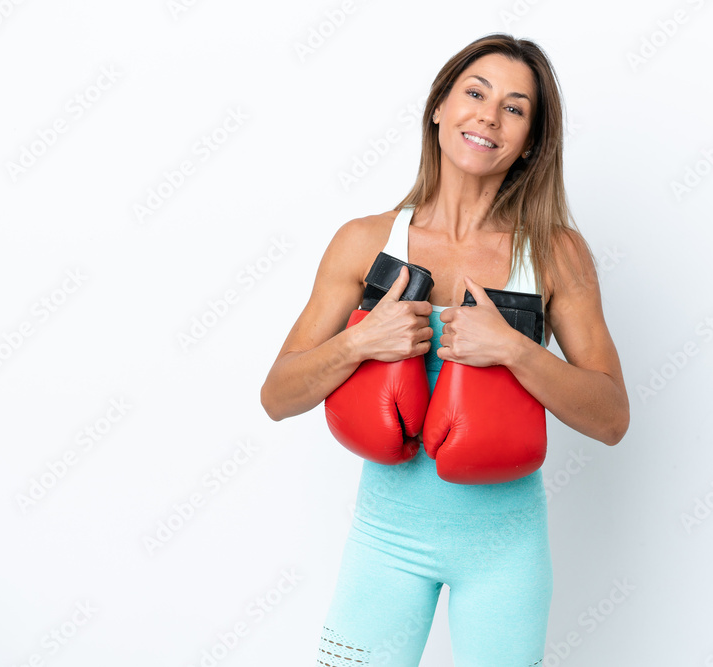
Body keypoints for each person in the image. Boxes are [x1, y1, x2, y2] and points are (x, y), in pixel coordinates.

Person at [260, 32, 630, 667]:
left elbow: (612, 418)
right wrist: (360, 340)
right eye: (475, 94)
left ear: (530, 140)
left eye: (514, 108)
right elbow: (277, 396)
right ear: (439, 107)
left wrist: (516, 351)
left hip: (505, 554)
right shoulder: (364, 242)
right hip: (384, 544)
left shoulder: (554, 254)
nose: (489, 116)